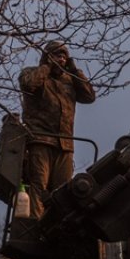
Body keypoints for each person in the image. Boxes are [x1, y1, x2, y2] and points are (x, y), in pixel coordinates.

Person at [18, 39, 95, 217]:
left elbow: (89, 96)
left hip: (65, 145)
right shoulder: (33, 73)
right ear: (47, 57)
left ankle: (56, 230)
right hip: (40, 140)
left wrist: (75, 70)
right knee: (38, 186)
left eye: (64, 56)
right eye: (57, 55)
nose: (61, 59)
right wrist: (46, 67)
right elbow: (28, 85)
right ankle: (36, 228)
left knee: (63, 192)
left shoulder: (69, 81)